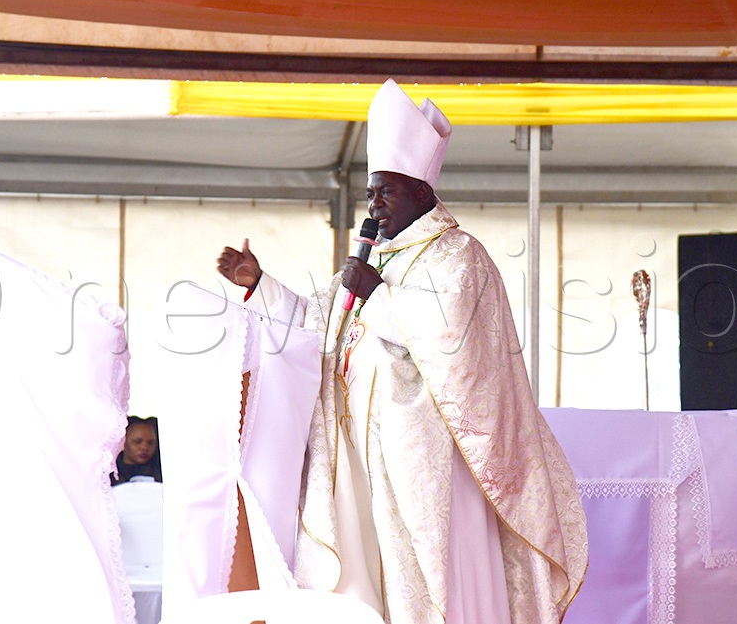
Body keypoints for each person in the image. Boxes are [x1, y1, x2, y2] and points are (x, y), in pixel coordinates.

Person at [216, 79, 587, 624]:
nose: (373, 205)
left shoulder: (459, 255)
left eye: (384, 191)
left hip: (426, 455)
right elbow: (324, 319)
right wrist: (262, 282)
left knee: (422, 574)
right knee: (367, 567)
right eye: (370, 193)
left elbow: (454, 344)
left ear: (420, 190)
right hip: (360, 449)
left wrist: (376, 297)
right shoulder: (380, 258)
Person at [111, 416, 163, 485]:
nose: (144, 447)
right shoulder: (107, 473)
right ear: (123, 442)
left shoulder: (160, 474)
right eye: (137, 442)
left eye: (151, 443)